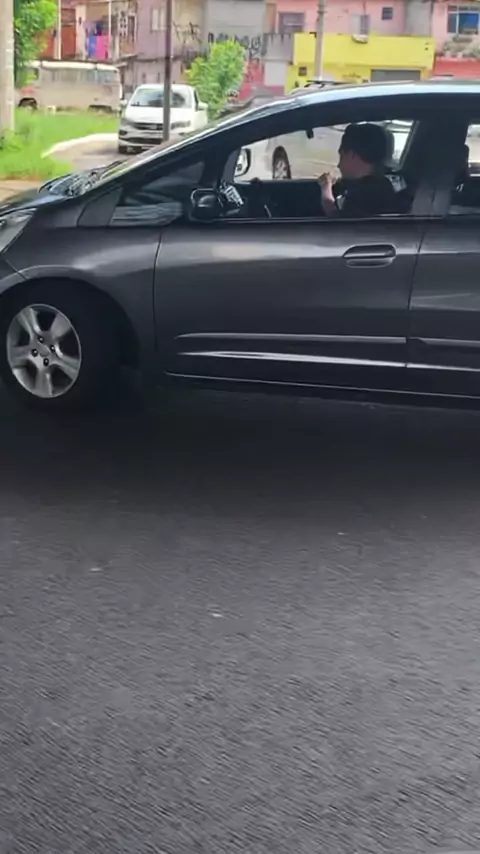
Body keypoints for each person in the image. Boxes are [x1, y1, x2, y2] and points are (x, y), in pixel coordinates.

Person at [319, 122, 397, 218]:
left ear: (352, 155)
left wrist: (326, 188)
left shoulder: (364, 196)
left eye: (341, 157)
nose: (338, 165)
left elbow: (337, 220)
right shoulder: (384, 186)